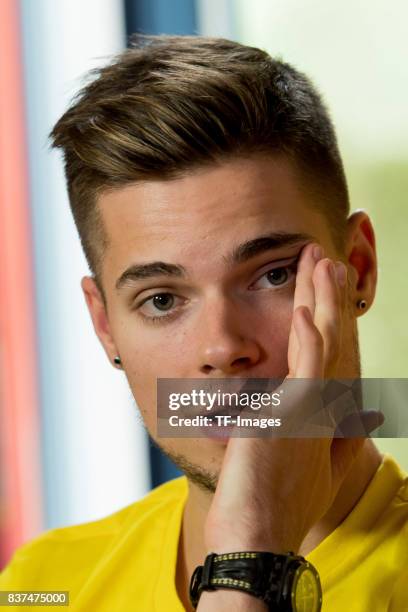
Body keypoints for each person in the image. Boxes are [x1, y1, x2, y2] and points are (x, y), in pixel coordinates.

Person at [0, 35, 406, 611]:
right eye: (162, 300)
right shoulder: (42, 584)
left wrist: (252, 560)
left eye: (272, 276)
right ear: (106, 327)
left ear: (358, 270)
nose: (222, 347)